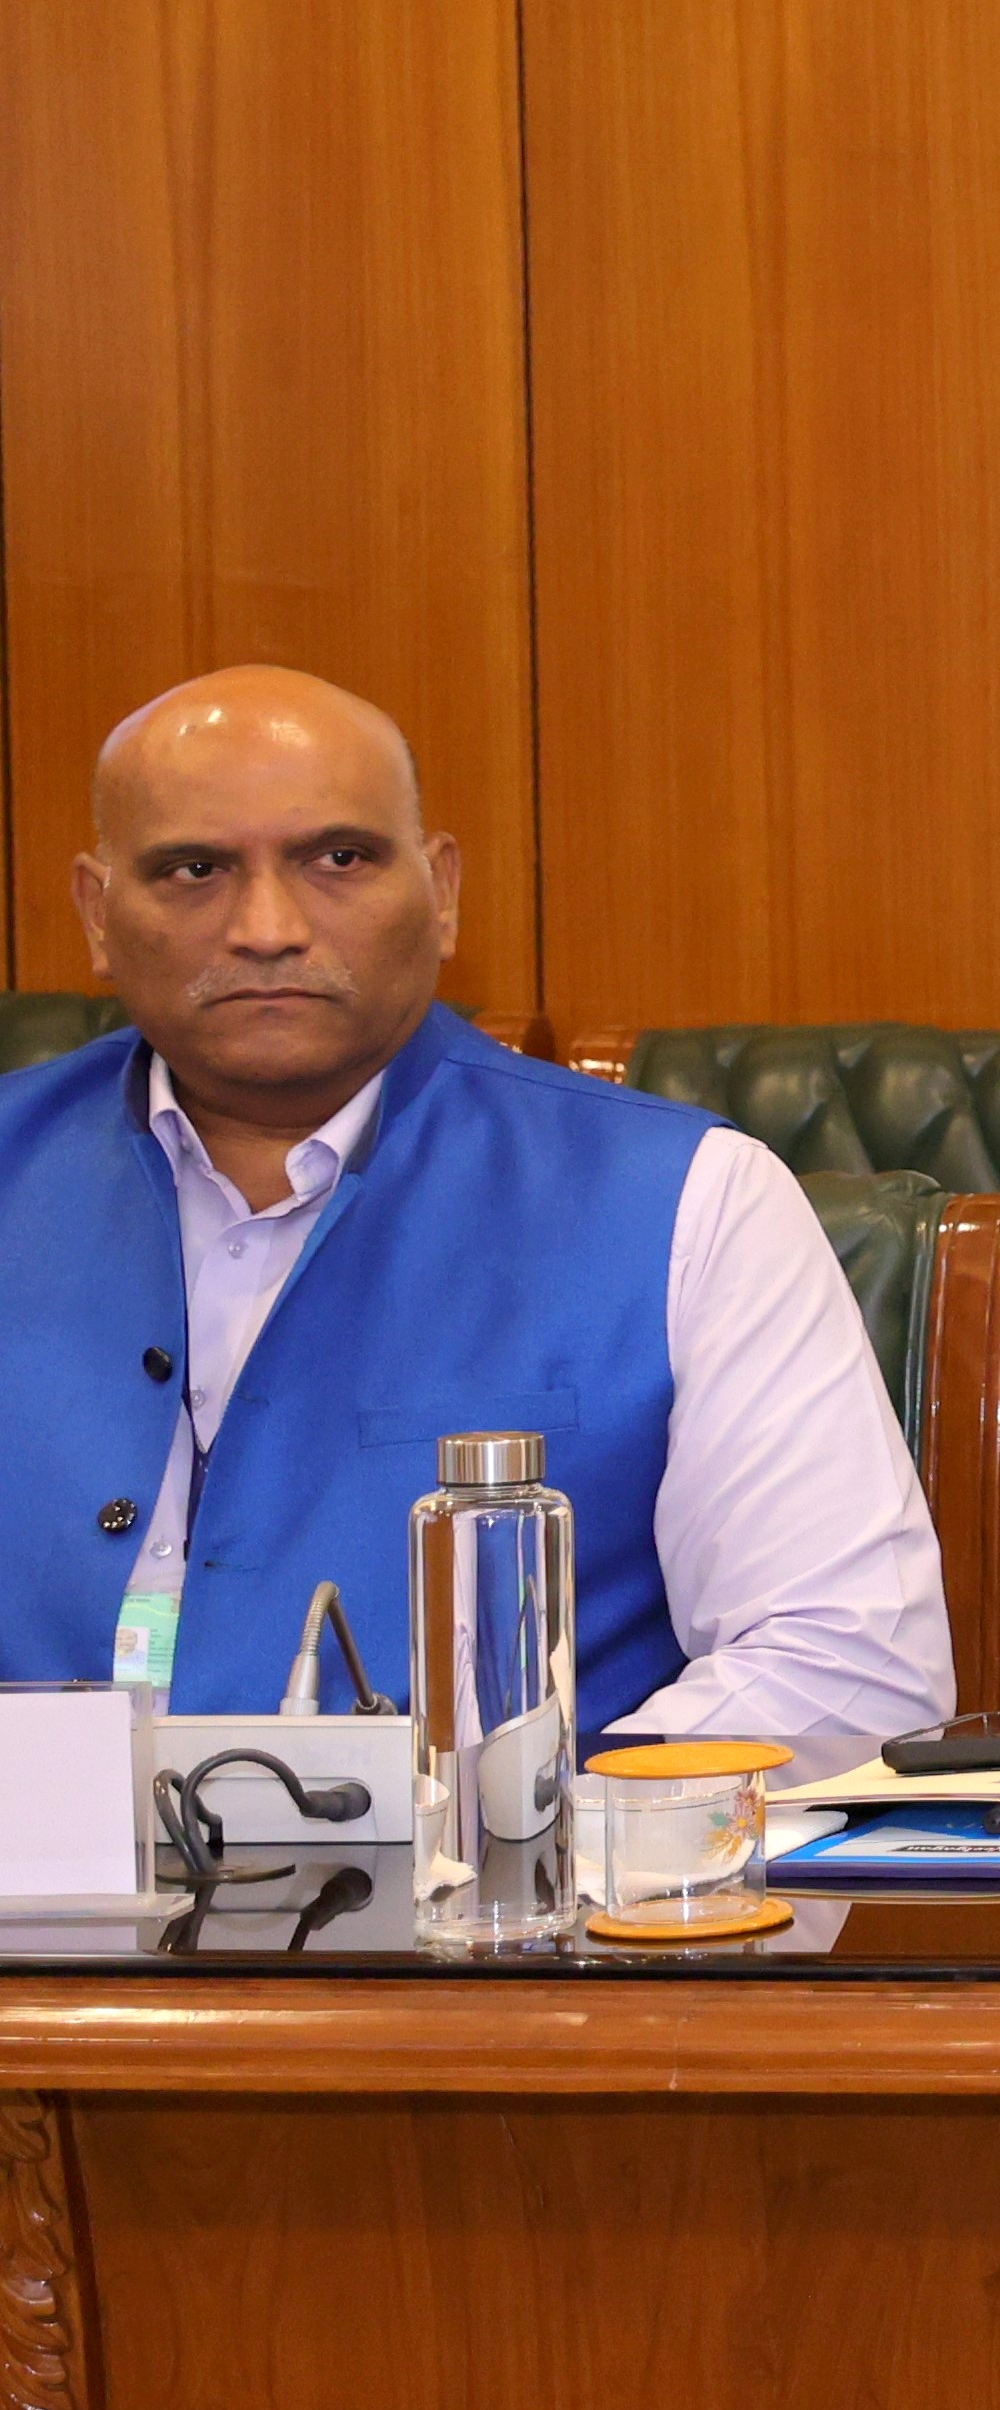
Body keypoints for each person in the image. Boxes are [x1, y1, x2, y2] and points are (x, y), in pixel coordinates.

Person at [0, 668, 943, 1737]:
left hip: (519, 1887)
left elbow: (844, 1659)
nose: (266, 926)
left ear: (442, 890)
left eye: (337, 858)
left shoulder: (688, 1201)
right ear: (96, 912)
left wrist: (533, 1853)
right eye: (194, 869)